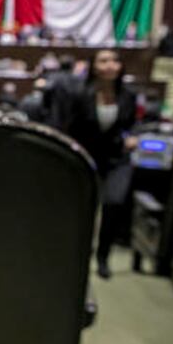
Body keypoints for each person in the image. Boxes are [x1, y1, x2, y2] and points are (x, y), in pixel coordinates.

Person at [54, 49, 138, 279]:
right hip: (86, 157)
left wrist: (132, 137)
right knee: (83, 207)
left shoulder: (128, 95)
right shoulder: (80, 93)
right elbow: (66, 126)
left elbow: (132, 124)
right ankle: (79, 252)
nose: (110, 65)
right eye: (104, 61)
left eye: (115, 61)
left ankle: (103, 256)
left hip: (116, 159)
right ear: (94, 66)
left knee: (113, 203)